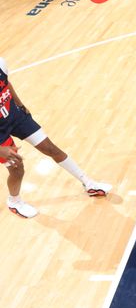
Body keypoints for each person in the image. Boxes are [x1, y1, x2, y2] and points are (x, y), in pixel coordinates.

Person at [0, 56, 112, 218]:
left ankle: (89, 184)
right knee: (17, 169)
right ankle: (14, 201)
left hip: (14, 116)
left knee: (50, 148)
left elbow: (7, 84)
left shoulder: (1, 63)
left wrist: (20, 105)